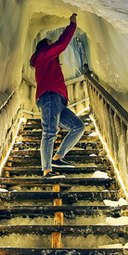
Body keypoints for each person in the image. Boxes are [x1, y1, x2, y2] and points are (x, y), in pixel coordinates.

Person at [30, 13, 86, 177]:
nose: (52, 45)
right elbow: (61, 44)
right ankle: (47, 170)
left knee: (78, 126)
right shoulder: (42, 55)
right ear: (43, 47)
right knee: (49, 132)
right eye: (49, 44)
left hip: (58, 100)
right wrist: (72, 25)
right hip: (49, 96)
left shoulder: (48, 61)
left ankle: (57, 157)